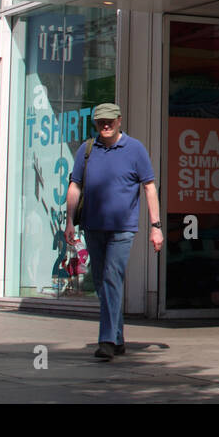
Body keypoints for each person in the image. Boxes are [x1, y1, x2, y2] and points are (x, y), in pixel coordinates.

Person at [64, 103, 162, 361]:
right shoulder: (86, 150)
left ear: (119, 121)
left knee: (111, 279)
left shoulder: (135, 149)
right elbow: (75, 186)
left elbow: (149, 187)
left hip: (122, 228)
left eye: (109, 121)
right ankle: (117, 338)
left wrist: (156, 227)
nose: (105, 126)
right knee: (101, 283)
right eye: (100, 122)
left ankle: (106, 340)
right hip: (93, 227)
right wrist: (69, 221)